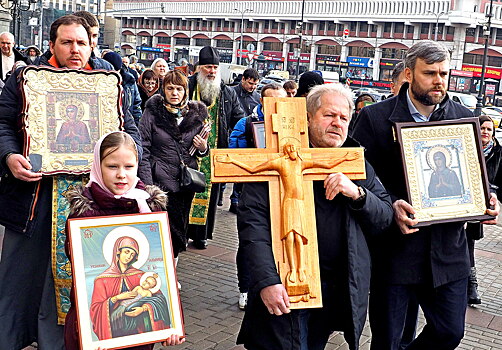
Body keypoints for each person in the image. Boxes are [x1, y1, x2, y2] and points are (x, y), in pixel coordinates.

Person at [0, 15, 142, 350]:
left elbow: (129, 132)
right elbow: (3, 123)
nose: (74, 49)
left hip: (91, 201)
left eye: (81, 42)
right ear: (52, 45)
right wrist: (8, 156)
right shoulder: (25, 78)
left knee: (84, 280)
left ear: (92, 44)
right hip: (35, 199)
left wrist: (134, 178)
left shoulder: (109, 83)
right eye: (66, 42)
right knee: (21, 281)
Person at [352, 40, 499, 350]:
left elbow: (471, 175)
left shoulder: (462, 118)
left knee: (450, 332)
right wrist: (390, 204)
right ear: (409, 73)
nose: (438, 81)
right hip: (396, 251)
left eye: (444, 73)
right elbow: (359, 176)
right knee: (388, 340)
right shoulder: (375, 118)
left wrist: (484, 200)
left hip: (448, 251)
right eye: (430, 73)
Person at [236, 83, 394, 350]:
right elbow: (253, 226)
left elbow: (385, 216)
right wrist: (266, 281)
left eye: (344, 118)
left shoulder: (354, 163)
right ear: (307, 118)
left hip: (329, 292)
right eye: (329, 115)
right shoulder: (278, 156)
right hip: (283, 284)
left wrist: (357, 193)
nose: (337, 123)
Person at [63, 131, 182, 349]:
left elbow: (159, 287)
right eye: (112, 166)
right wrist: (114, 303)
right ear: (98, 167)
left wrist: (167, 324)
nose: (121, 175)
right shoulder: (84, 213)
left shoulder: (148, 210)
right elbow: (90, 294)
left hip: (138, 339)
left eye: (128, 167)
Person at [228, 82, 287, 310]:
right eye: (270, 100)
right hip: (253, 193)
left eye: (280, 101)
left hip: (282, 193)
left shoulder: (291, 125)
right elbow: (234, 155)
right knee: (250, 242)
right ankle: (245, 288)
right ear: (261, 101)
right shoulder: (247, 123)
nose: (275, 106)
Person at [139, 69, 209, 258]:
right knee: (162, 231)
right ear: (164, 89)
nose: (174, 93)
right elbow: (143, 149)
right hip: (160, 182)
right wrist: (148, 184)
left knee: (179, 231)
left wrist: (203, 147)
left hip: (186, 183)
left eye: (179, 89)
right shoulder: (152, 113)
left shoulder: (195, 115)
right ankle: (163, 272)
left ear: (186, 91)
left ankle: (172, 272)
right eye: (170, 88)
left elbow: (202, 151)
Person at [186, 45, 245, 249]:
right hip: (188, 154)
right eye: (207, 67)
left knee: (208, 197)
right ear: (199, 68)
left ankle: (201, 235)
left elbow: (238, 119)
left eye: (214, 67)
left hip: (212, 154)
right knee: (186, 192)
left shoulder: (227, 92)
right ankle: (184, 232)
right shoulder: (187, 87)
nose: (211, 71)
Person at [466, 115, 502, 305]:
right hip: (460, 203)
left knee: (469, 243)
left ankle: (471, 285)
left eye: (489, 129)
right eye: (482, 128)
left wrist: (493, 193)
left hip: (479, 209)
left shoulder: (498, 153)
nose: (485, 132)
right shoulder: (466, 147)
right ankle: (468, 284)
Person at [228, 67, 261, 214]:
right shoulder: (232, 92)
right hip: (234, 132)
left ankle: (235, 199)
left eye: (255, 84)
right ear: (243, 79)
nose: (252, 87)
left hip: (252, 136)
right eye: (250, 83)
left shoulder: (256, 97)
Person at [103, 51, 143, 126]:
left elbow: (136, 104)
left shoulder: (129, 81)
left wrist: (137, 124)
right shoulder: (99, 81)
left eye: (116, 72)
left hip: (126, 123)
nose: (114, 76)